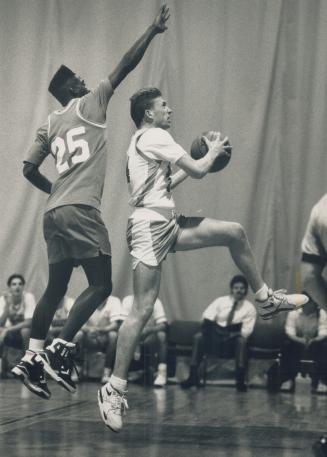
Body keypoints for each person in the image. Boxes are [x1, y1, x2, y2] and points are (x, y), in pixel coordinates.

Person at [97, 87, 308, 432]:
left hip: (165, 222)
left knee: (234, 232)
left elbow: (172, 181)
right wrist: (209, 155)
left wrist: (205, 163)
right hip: (150, 227)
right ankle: (113, 388)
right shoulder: (154, 134)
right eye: (163, 105)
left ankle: (265, 299)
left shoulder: (148, 140)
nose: (170, 109)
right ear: (148, 114)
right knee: (143, 308)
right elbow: (195, 170)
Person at [12, 5, 170, 400]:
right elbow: (124, 66)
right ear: (68, 89)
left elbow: (28, 168)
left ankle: (32, 355)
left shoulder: (48, 123)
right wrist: (151, 31)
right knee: (101, 284)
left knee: (54, 289)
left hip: (53, 214)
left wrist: (56, 193)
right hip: (82, 210)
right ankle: (61, 349)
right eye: (77, 79)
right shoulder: (92, 102)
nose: (84, 81)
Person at [180, 275, 256, 392]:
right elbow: (206, 317)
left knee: (242, 341)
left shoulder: (249, 308)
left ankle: (240, 381)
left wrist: (230, 334)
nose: (239, 291)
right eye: (236, 288)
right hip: (214, 340)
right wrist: (212, 327)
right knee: (199, 337)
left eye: (242, 288)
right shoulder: (221, 301)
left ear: (246, 290)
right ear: (231, 289)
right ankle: (192, 376)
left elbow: (246, 331)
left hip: (232, 344)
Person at [279, 294, 327, 393]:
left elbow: (324, 331)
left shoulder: (322, 313)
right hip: (297, 340)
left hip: (315, 341)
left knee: (324, 347)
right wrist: (299, 340)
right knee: (286, 345)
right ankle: (287, 379)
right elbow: (289, 331)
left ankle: (322, 382)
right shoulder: (294, 313)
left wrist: (314, 340)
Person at [122, 294, 168, 387]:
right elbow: (123, 322)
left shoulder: (156, 301)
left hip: (149, 333)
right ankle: (123, 373)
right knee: (119, 336)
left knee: (162, 335)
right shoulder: (127, 300)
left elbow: (162, 325)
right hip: (131, 332)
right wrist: (136, 330)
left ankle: (161, 373)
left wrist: (148, 330)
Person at [82, 295, 124, 384]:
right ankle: (77, 370)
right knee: (78, 335)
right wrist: (90, 330)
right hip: (89, 336)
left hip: (105, 336)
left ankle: (107, 372)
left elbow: (115, 325)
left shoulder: (114, 301)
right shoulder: (86, 298)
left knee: (113, 335)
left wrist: (100, 330)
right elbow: (80, 324)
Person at [0, 274, 36, 375]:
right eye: (14, 284)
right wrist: (7, 306)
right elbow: (1, 323)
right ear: (9, 287)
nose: (17, 286)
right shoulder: (4, 299)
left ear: (23, 287)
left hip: (27, 332)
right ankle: (3, 367)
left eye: (20, 284)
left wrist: (7, 329)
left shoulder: (28, 297)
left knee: (25, 331)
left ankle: (27, 364)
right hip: (11, 331)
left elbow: (28, 322)